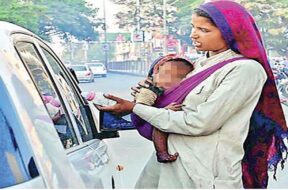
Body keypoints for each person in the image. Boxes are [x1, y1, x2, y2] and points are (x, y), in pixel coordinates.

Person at [99, 1, 288, 188]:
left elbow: (199, 122)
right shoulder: (199, 66)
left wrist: (135, 108)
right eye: (193, 27)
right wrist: (151, 94)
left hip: (203, 173)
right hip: (169, 164)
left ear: (230, 33)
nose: (194, 35)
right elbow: (174, 104)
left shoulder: (245, 70)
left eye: (204, 30)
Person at [133, 54, 193, 163]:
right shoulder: (149, 89)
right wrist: (164, 111)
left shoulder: (186, 91)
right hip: (152, 120)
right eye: (166, 74)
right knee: (161, 124)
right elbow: (141, 110)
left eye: (181, 76)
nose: (171, 79)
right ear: (154, 74)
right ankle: (161, 153)